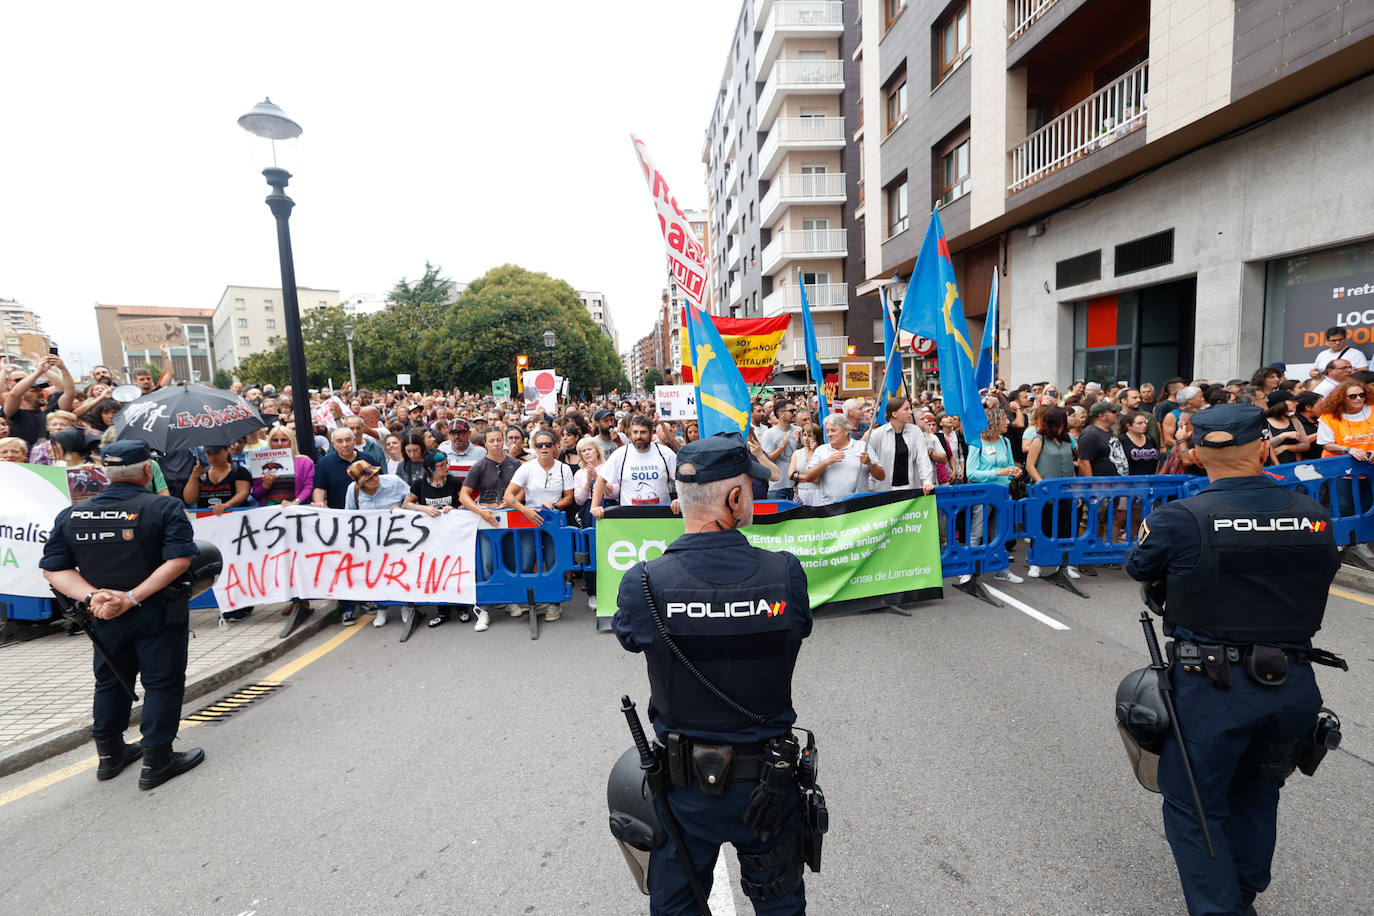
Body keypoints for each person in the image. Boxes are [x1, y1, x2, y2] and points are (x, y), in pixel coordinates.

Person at [1123, 404, 1342, 915]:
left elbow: (1139, 567)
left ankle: (1224, 908)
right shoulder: (1314, 514)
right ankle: (1243, 891)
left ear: (1194, 453)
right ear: (1265, 447)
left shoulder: (1180, 517)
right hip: (1292, 683)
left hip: (1212, 688)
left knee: (1193, 804)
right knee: (1258, 791)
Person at [612, 432, 814, 912]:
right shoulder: (785, 573)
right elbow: (797, 630)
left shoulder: (644, 582)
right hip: (768, 784)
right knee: (780, 906)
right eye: (752, 487)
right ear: (736, 497)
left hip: (685, 791)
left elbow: (628, 635)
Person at [39, 439, 205, 789]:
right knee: (162, 681)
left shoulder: (73, 513)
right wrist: (130, 597)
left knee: (111, 680)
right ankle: (157, 760)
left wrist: (93, 596)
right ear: (148, 470)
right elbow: (180, 560)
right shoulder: (165, 508)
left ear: (103, 471)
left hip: (103, 615)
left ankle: (110, 755)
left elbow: (53, 569)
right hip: (157, 611)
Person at [450, 427, 523, 631]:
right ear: (486, 443)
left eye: (500, 440)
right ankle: (483, 610)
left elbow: (522, 489)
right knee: (486, 565)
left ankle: (509, 600)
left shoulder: (515, 464)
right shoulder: (479, 466)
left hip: (510, 519)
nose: (497, 444)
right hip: (486, 521)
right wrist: (480, 511)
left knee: (510, 561)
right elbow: (463, 495)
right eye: (492, 440)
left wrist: (513, 502)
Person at [503, 430, 575, 622]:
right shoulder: (526, 468)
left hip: (554, 522)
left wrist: (555, 505)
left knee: (554, 562)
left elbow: (569, 497)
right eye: (539, 445)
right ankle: (535, 599)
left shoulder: (564, 469)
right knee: (526, 562)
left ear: (555, 446)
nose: (544, 448)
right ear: (534, 448)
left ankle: (554, 603)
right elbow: (508, 496)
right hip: (530, 521)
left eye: (548, 444)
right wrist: (525, 510)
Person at [963, 407, 1025, 584]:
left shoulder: (1005, 441)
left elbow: (1011, 465)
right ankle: (968, 569)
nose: (1008, 422)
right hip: (983, 494)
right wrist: (999, 472)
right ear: (995, 421)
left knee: (1001, 532)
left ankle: (1001, 569)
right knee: (977, 532)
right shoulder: (976, 442)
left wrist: (1014, 472)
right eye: (1005, 419)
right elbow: (972, 473)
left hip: (1003, 494)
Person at [1025, 405, 1080, 581]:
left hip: (1065, 491)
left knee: (1065, 526)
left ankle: (1063, 563)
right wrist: (1042, 486)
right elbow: (1030, 465)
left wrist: (1075, 490)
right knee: (1043, 526)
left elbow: (1070, 465)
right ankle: (1036, 562)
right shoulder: (1039, 439)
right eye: (1064, 419)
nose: (1068, 422)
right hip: (1044, 491)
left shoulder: (1067, 440)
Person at [591, 414, 678, 518]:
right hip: (629, 517)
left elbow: (682, 479)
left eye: (643, 432)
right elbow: (600, 480)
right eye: (635, 432)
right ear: (630, 434)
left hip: (661, 515)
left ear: (651, 434)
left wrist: (680, 499)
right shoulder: (620, 454)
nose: (638, 436)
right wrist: (595, 506)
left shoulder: (665, 453)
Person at [865, 396, 936, 495]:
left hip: (910, 488)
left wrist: (927, 481)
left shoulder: (915, 431)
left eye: (910, 409)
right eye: (906, 409)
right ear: (894, 414)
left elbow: (922, 458)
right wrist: (870, 486)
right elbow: (870, 461)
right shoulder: (877, 434)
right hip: (884, 490)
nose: (911, 412)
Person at [799, 414, 871, 506]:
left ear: (846, 431)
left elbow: (881, 476)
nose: (829, 434)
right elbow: (808, 477)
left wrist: (870, 463)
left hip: (858, 507)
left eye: (833, 430)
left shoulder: (863, 447)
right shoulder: (821, 450)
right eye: (827, 431)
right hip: (830, 508)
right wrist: (826, 462)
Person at [251, 426, 315, 506]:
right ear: (270, 442)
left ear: (291, 441)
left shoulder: (305, 462)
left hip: (296, 509)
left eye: (284, 440)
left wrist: (296, 502)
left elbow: (308, 487)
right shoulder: (261, 462)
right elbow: (256, 495)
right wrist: (265, 486)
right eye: (275, 440)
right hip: (269, 510)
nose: (279, 443)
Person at [183, 445, 252, 515]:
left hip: (234, 516)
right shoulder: (201, 474)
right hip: (205, 518)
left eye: (216, 453)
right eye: (209, 453)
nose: (213, 458)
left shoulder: (239, 472)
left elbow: (243, 492)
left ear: (227, 450)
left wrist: (226, 505)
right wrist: (193, 477)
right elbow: (189, 499)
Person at [760, 399, 799, 501]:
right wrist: (781, 447)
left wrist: (801, 443)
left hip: (798, 486)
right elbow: (766, 460)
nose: (794, 413)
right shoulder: (769, 434)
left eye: (795, 410)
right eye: (791, 411)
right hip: (777, 487)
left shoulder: (799, 430)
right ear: (781, 414)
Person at [1261, 390, 1307, 464]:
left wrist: (1285, 447)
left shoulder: (1295, 421)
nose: (1297, 403)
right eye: (1292, 400)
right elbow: (1266, 445)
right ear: (1281, 404)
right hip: (1274, 468)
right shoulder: (1264, 423)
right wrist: (1283, 436)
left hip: (1296, 465)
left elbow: (1305, 445)